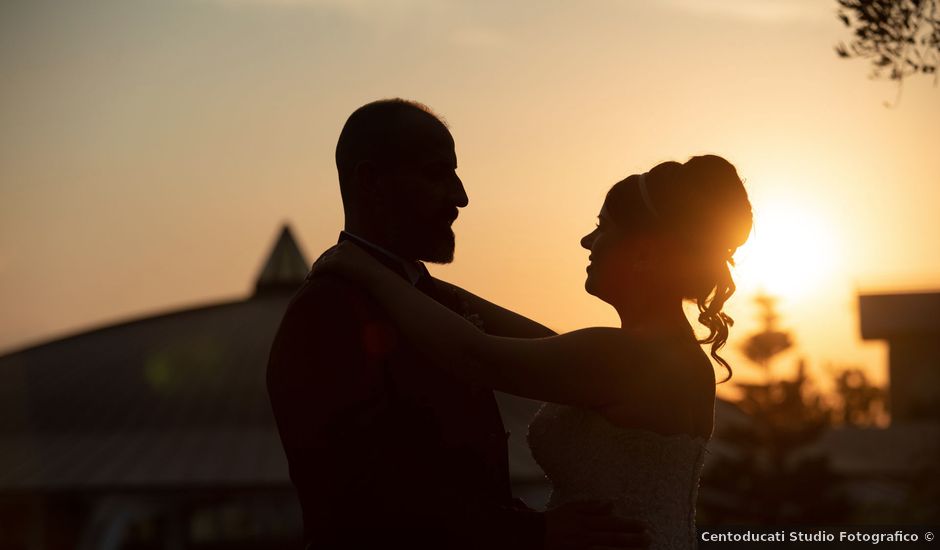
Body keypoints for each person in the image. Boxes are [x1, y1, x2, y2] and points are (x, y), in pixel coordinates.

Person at [314, 154, 753, 550]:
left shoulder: (623, 357)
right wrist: (421, 282)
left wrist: (363, 268)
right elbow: (542, 342)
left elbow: (477, 357)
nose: (587, 241)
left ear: (642, 254)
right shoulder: (653, 354)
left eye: (603, 227)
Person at [266, 98, 649, 550]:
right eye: (436, 174)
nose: (461, 196)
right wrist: (534, 531)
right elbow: (358, 497)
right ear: (370, 181)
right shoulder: (326, 313)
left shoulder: (424, 299)